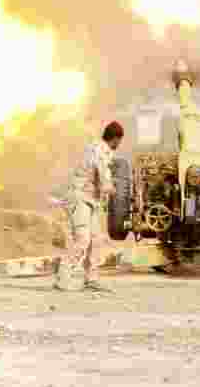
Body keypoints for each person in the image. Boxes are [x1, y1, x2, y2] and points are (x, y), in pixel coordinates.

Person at [54, 121, 123, 292]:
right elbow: (104, 177)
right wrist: (115, 191)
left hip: (90, 200)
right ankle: (63, 277)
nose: (118, 145)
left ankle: (91, 279)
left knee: (96, 239)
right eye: (119, 141)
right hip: (80, 198)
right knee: (83, 239)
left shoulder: (95, 147)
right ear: (115, 139)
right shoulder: (101, 151)